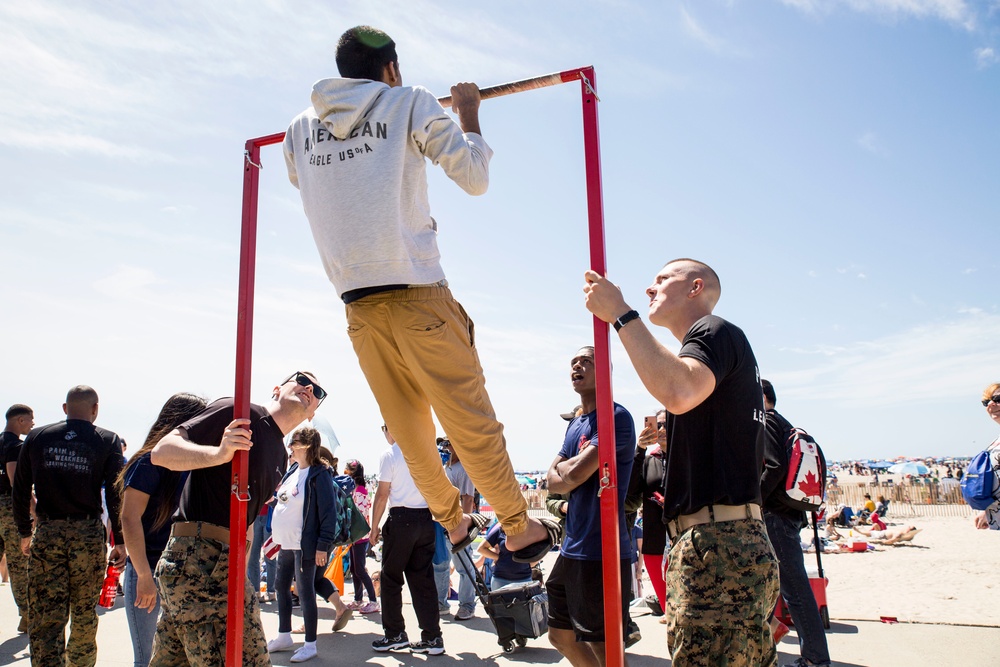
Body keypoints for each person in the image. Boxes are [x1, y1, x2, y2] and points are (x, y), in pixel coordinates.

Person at [282, 24, 557, 564]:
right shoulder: (409, 101)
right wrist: (469, 114)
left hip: (357, 302)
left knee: (408, 429)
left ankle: (452, 525)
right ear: (391, 69)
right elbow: (474, 177)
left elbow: (318, 187)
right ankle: (518, 527)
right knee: (468, 416)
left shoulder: (298, 129)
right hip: (416, 291)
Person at [583, 258, 779, 666]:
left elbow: (679, 389)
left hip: (718, 544)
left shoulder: (713, 329)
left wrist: (620, 314)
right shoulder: (716, 350)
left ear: (695, 288)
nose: (650, 289)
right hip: (723, 540)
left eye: (662, 279)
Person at [147, 371, 323, 667]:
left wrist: (240, 571)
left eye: (318, 391)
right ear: (277, 388)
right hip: (197, 555)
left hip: (225, 564)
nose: (309, 388)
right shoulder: (240, 412)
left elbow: (249, 520)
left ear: (312, 413)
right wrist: (219, 453)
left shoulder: (281, 456)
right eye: (302, 379)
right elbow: (162, 452)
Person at [12, 386, 127, 667]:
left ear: (65, 408)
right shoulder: (108, 440)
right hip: (87, 535)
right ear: (95, 409)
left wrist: (25, 532)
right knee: (85, 611)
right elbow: (115, 494)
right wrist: (120, 540)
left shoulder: (38, 437)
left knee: (46, 614)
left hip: (48, 532)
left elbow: (20, 488)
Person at [545, 345, 636, 667]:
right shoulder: (575, 424)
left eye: (587, 361)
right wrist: (565, 476)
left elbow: (572, 474)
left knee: (604, 644)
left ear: (605, 371)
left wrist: (566, 475)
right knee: (559, 635)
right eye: (574, 362)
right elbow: (552, 480)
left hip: (602, 548)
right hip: (572, 546)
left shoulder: (616, 417)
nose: (577, 366)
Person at [118, 393, 207, 667]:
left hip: (184, 574)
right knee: (147, 659)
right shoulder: (148, 461)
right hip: (148, 571)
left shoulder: (195, 462)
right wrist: (144, 575)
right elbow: (129, 518)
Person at [759, 379, 831, 667]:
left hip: (775, 515)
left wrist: (755, 501)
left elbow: (774, 466)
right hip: (790, 514)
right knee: (783, 587)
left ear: (761, 396)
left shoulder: (765, 421)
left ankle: (815, 658)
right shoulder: (787, 424)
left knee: (795, 591)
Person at [369, 424, 444, 655]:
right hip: (425, 518)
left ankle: (395, 635)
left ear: (391, 427)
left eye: (384, 427)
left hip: (402, 518)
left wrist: (374, 528)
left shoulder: (391, 454)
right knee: (422, 581)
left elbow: (382, 495)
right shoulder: (426, 451)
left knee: (390, 578)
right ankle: (432, 638)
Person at [266, 426, 340, 663]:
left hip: (305, 544)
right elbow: (285, 500)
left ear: (307, 445)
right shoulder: (293, 471)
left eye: (294, 442)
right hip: (286, 543)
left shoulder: (320, 474)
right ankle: (284, 635)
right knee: (281, 586)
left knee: (306, 591)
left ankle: (310, 644)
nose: (290, 446)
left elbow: (328, 513)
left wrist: (322, 545)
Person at [625, 408, 669, 623]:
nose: (661, 429)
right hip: (655, 537)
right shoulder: (649, 460)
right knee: (667, 605)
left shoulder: (688, 455)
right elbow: (631, 489)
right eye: (657, 424)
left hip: (683, 536)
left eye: (666, 424)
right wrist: (640, 450)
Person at [434, 437, 477, 621]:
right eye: (443, 444)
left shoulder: (465, 469)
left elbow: (468, 499)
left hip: (457, 525)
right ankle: (441, 604)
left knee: (463, 567)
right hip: (440, 523)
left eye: (448, 443)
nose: (444, 447)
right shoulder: (445, 468)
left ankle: (467, 605)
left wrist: (463, 527)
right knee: (440, 565)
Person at [0, 403, 33, 633]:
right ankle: (27, 615)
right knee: (18, 563)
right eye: (30, 419)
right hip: (7, 508)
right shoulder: (15, 446)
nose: (33, 423)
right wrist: (33, 509)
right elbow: (16, 483)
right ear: (19, 420)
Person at [344, 459, 379, 613]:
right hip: (353, 535)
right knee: (354, 568)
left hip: (360, 535)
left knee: (360, 569)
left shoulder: (361, 491)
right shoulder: (354, 490)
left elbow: (360, 513)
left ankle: (373, 600)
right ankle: (358, 599)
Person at [478, 523, 535, 590]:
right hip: (500, 578)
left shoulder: (529, 529)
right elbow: (481, 549)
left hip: (524, 578)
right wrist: (497, 557)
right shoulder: (500, 530)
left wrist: (531, 562)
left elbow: (541, 548)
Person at [974, 383, 1000, 530]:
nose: (991, 404)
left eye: (998, 398)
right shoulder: (996, 441)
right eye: (986, 402)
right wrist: (987, 510)